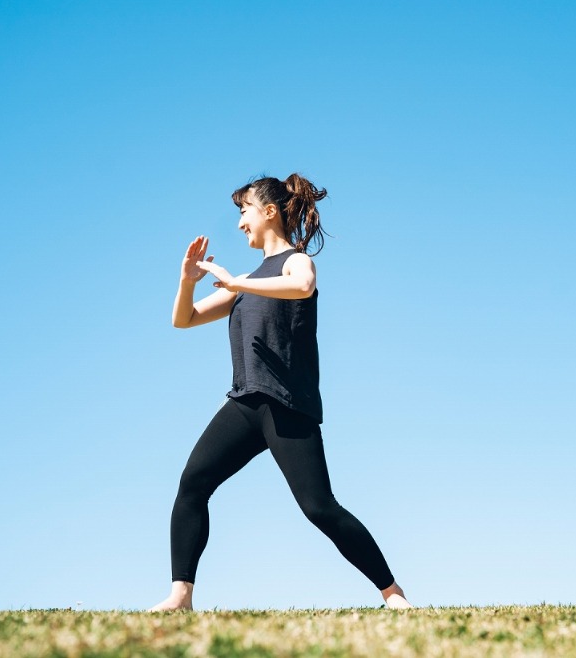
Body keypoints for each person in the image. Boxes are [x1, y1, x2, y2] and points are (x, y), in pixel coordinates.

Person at [149, 173, 413, 611]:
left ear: (269, 211)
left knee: (319, 508)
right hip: (245, 403)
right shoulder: (246, 281)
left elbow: (302, 286)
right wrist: (187, 281)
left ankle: (393, 593)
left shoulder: (295, 261)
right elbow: (185, 319)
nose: (238, 224)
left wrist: (237, 285)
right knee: (192, 485)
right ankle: (181, 596)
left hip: (288, 406)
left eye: (243, 211)